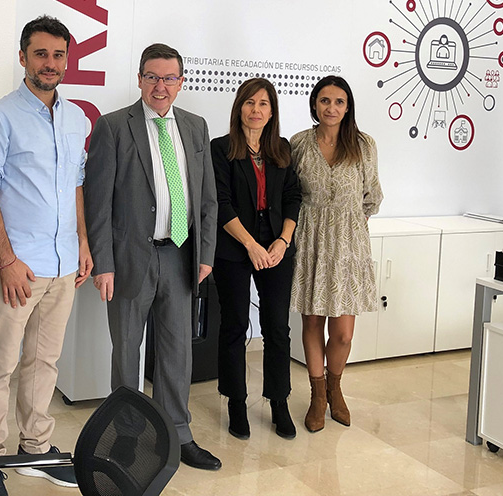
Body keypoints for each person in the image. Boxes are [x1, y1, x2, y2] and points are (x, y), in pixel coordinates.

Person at [0, 15, 93, 496]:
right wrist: (7, 260)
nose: (50, 63)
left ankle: (36, 449)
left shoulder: (76, 117)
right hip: (14, 268)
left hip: (62, 264)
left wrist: (82, 243)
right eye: (41, 53)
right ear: (23, 57)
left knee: (44, 363)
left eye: (58, 55)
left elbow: (76, 184)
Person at [84, 43, 221, 471]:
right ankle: (126, 434)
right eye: (152, 77)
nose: (161, 86)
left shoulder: (196, 127)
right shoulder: (113, 127)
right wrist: (103, 263)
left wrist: (206, 253)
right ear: (140, 79)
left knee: (178, 352)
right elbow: (97, 203)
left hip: (180, 256)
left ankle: (178, 435)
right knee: (127, 350)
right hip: (129, 258)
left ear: (181, 82)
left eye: (169, 78)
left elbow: (207, 198)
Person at [290, 75, 383, 433]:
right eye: (325, 100)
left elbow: (372, 196)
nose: (331, 107)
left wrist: (349, 224)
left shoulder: (363, 144)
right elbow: (291, 194)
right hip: (310, 240)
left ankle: (335, 386)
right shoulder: (299, 143)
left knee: (342, 333)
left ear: (348, 107)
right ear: (314, 104)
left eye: (339, 101)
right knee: (312, 321)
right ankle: (317, 396)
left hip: (348, 243)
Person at [211, 77, 302, 440]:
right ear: (239, 108)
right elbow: (220, 203)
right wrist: (250, 245)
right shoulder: (221, 149)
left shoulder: (281, 149)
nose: (256, 110)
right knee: (234, 325)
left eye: (263, 104)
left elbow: (293, 197)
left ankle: (279, 401)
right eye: (250, 102)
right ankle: (236, 402)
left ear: (272, 111)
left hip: (276, 245)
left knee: (277, 327)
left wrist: (283, 240)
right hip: (235, 246)